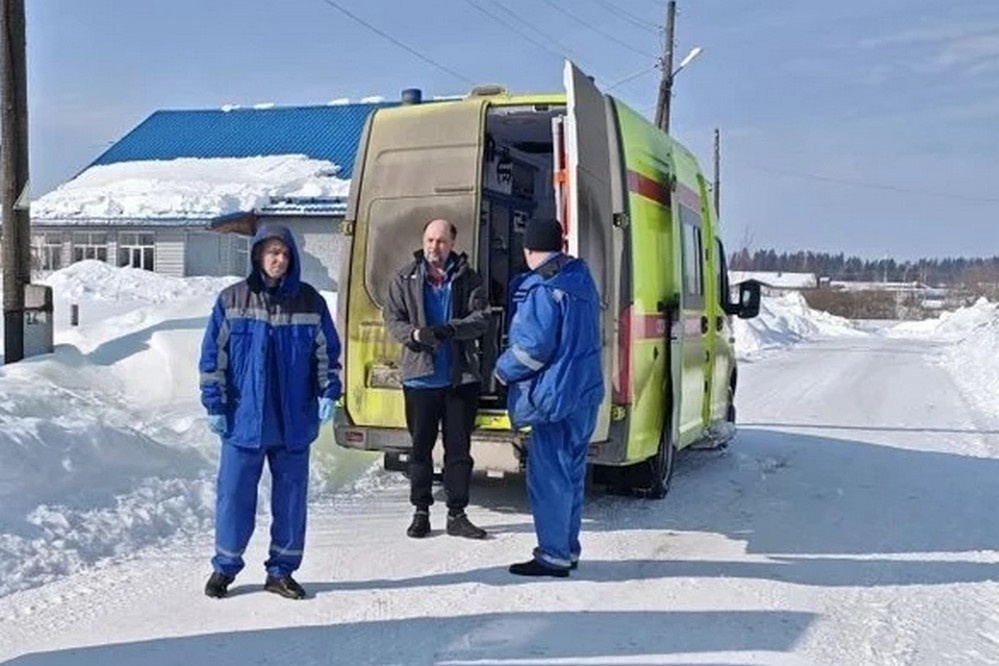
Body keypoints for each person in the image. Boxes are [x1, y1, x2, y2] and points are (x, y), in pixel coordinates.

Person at [198, 224, 342, 600]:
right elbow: (214, 358)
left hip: (294, 419)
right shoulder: (232, 300)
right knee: (234, 496)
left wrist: (329, 390)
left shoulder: (310, 302)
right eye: (272, 252)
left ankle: (281, 570)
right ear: (259, 254)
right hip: (243, 419)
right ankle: (225, 567)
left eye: (285, 253)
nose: (279, 259)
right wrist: (215, 403)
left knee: (291, 499)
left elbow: (327, 354)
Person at [494, 218, 604, 577]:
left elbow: (533, 348)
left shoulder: (542, 288)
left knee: (549, 478)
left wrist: (502, 369)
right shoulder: (580, 280)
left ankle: (553, 554)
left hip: (554, 398)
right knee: (571, 475)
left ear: (528, 250)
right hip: (584, 393)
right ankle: (568, 548)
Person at [383, 218, 490, 539]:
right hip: (419, 380)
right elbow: (392, 317)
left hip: (460, 380)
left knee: (458, 451)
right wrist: (414, 334)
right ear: (423, 240)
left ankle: (457, 514)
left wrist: (451, 329)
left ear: (452, 243)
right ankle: (421, 512)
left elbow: (482, 318)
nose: (434, 247)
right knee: (420, 450)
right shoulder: (404, 277)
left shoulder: (468, 278)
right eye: (430, 240)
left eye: (441, 241)